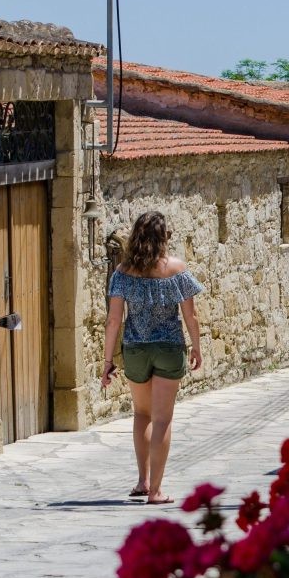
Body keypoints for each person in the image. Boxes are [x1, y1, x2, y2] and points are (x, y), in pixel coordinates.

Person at [101, 211, 203, 504]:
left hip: (135, 349)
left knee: (141, 414)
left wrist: (108, 361)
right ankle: (156, 491)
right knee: (162, 419)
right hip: (169, 348)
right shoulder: (177, 269)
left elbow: (113, 321)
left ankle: (142, 481)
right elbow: (191, 316)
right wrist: (196, 347)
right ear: (163, 238)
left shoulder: (122, 273)